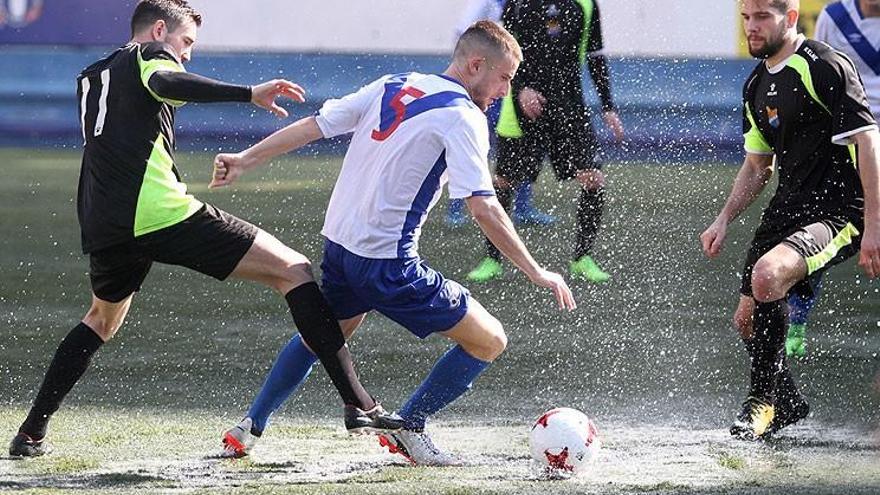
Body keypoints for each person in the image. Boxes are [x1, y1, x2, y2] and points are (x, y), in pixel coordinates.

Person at [8, 0, 401, 458]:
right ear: (158, 30)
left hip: (103, 219)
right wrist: (248, 93)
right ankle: (359, 403)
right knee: (293, 269)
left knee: (101, 319)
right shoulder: (149, 57)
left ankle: (31, 431)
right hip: (157, 212)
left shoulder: (93, 74)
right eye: (186, 41)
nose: (188, 53)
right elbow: (167, 79)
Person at [212, 20, 576, 465]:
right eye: (504, 77)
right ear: (476, 64)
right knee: (490, 340)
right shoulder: (463, 116)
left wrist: (245, 159)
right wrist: (536, 270)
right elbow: (484, 208)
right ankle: (411, 426)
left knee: (322, 336)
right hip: (388, 264)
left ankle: (249, 426)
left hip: (341, 249)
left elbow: (313, 126)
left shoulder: (394, 83)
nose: (506, 89)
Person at [701, 0, 880, 441]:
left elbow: (868, 139)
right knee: (746, 320)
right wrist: (724, 217)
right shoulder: (755, 84)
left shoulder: (825, 66)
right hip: (786, 208)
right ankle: (787, 403)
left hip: (838, 210)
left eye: (762, 17)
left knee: (767, 276)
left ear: (791, 18)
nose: (752, 28)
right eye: (747, 18)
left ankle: (761, 401)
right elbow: (758, 165)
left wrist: (874, 224)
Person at [466, 0, 625, 284]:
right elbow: (504, 55)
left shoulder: (586, 5)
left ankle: (582, 258)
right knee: (503, 182)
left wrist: (608, 106)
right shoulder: (517, 3)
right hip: (521, 106)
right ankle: (492, 258)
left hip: (569, 107)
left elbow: (595, 55)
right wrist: (522, 89)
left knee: (593, 179)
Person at [782, 0, 880, 359]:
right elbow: (817, 73)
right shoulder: (835, 16)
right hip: (849, 139)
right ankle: (797, 318)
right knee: (819, 227)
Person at [445, 0, 557, 228]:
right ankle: (456, 208)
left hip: (514, 82)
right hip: (488, 83)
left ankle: (523, 207)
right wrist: (474, 77)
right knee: (472, 142)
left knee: (523, 139)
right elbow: (463, 34)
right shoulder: (488, 2)